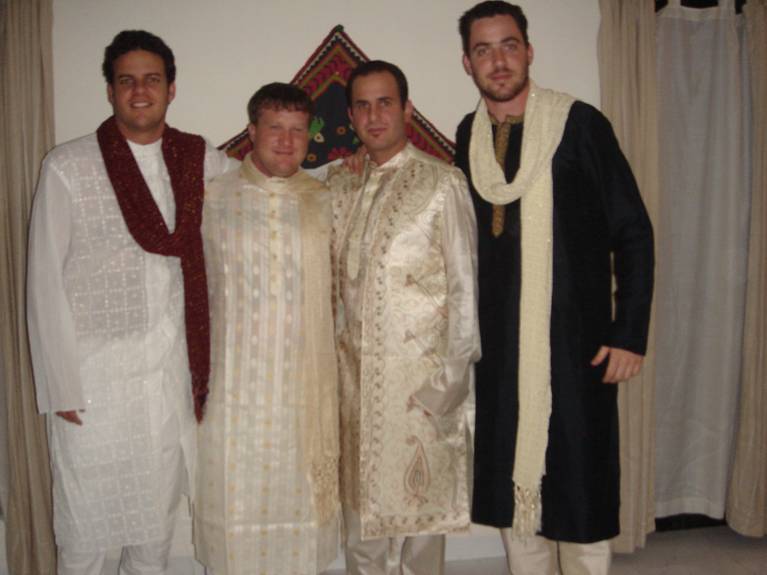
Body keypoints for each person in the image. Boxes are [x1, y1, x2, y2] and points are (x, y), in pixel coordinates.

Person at [454, 2, 655, 574]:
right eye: (484, 49)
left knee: (580, 485)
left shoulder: (580, 124)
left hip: (575, 347)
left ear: (529, 51)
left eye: (509, 45)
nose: (498, 60)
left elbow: (633, 231)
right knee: (515, 496)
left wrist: (629, 334)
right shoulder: (469, 136)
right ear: (467, 63)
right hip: (502, 354)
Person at [27, 30, 235, 575]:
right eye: (127, 81)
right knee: (85, 536)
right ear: (110, 91)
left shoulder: (198, 159)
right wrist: (59, 382)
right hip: (91, 383)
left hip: (166, 379)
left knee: (153, 534)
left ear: (171, 88)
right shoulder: (69, 165)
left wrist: (339, 172)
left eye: (151, 80)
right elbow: (44, 280)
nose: (140, 91)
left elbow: (266, 181)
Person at [327, 60, 480, 575]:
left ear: (407, 109)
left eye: (385, 103)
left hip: (421, 387)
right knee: (361, 526)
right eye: (363, 106)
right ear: (351, 116)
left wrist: (449, 384)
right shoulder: (340, 185)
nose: (374, 116)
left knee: (419, 527)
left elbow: (465, 288)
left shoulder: (442, 183)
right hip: (354, 389)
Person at [193, 83, 339, 575]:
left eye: (297, 130)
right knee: (236, 514)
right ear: (251, 131)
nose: (286, 141)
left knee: (300, 515)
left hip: (304, 391)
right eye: (275, 127)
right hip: (234, 392)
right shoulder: (212, 198)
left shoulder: (327, 198)